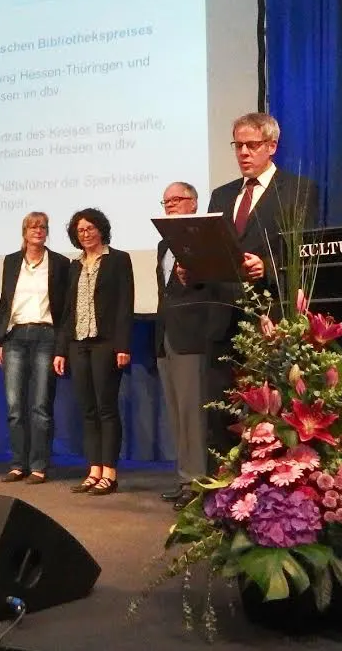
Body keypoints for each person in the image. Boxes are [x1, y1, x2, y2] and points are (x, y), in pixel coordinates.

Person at [205, 112, 319, 465]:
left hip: (271, 318)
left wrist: (268, 267)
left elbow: (309, 253)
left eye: (251, 145)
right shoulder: (221, 196)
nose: (243, 153)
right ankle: (220, 494)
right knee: (221, 412)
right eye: (237, 145)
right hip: (222, 318)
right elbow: (214, 251)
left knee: (269, 415)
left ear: (272, 146)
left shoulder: (299, 190)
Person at [53, 208, 134, 496]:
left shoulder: (118, 260)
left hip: (106, 343)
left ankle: (110, 473)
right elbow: (67, 311)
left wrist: (123, 345)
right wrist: (61, 349)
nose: (85, 234)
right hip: (78, 343)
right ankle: (93, 469)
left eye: (90, 228)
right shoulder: (74, 266)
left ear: (101, 229)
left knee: (106, 408)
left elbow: (125, 305)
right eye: (80, 231)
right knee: (87, 410)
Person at [0, 212, 70, 485]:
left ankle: (39, 465)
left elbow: (65, 310)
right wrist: (0, 340)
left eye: (43, 227)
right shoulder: (12, 261)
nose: (38, 230)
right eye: (33, 226)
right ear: (24, 231)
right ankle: (17, 464)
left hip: (46, 336)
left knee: (40, 405)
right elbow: (5, 303)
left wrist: (62, 346)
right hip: (15, 337)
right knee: (15, 405)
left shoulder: (60, 263)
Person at [155, 182, 212, 510]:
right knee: (177, 414)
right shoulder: (164, 244)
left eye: (177, 200)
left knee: (193, 414)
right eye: (166, 202)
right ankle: (184, 479)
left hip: (192, 336)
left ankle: (200, 483)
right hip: (166, 336)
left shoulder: (204, 240)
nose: (170, 205)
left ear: (193, 203)